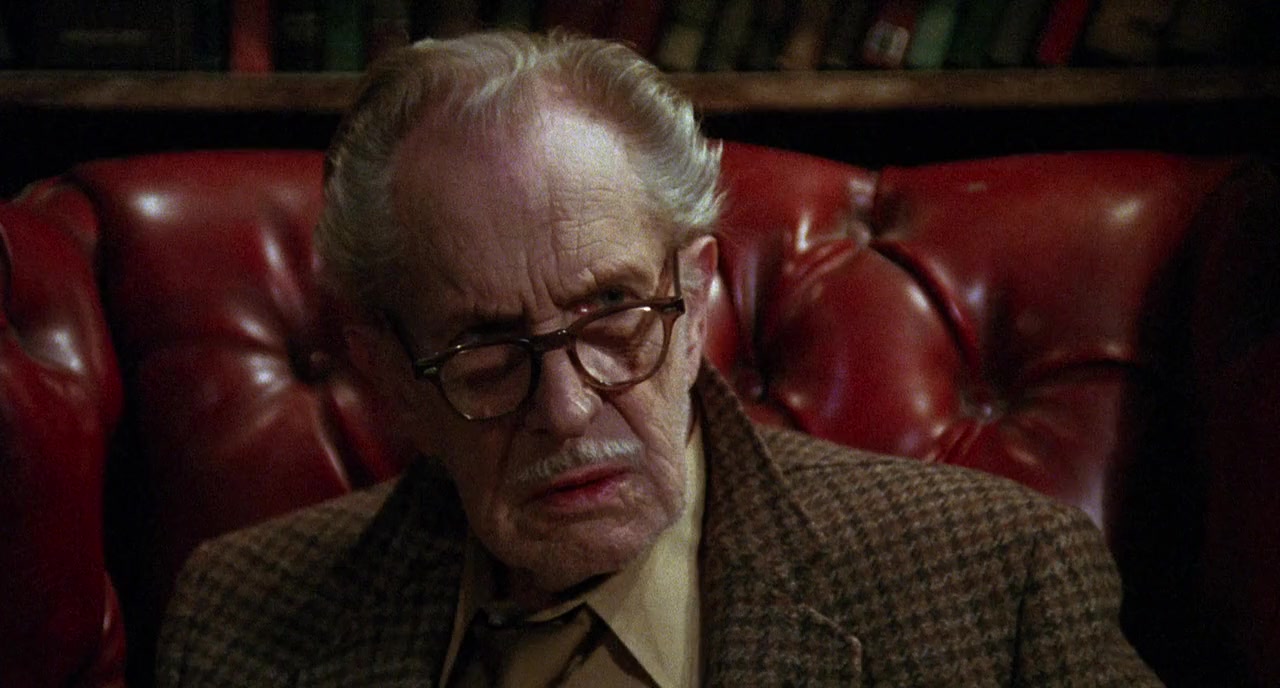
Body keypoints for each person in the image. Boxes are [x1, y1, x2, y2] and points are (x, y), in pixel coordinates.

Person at [155, 31, 1162, 687]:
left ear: (695, 301)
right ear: (388, 374)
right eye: (486, 350)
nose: (565, 408)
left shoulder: (1001, 584)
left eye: (611, 313)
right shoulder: (240, 618)